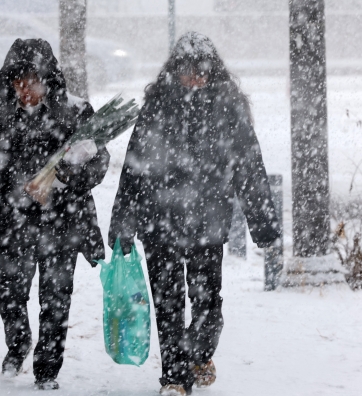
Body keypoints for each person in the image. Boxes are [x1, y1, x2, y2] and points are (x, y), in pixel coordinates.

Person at [108, 32, 281, 396]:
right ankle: (174, 378)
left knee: (207, 304)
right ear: (176, 71)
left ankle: (199, 353)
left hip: (208, 224)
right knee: (167, 304)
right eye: (187, 71)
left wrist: (262, 222)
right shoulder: (157, 106)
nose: (194, 79)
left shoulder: (228, 107)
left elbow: (249, 166)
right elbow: (134, 168)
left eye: (201, 71)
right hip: (160, 222)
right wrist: (124, 221)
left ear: (212, 71)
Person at [0, 38, 110, 390]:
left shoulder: (76, 113)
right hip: (11, 222)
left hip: (63, 222)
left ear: (49, 79)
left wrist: (67, 175)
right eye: (17, 81)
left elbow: (98, 162)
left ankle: (47, 370)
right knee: (9, 294)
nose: (25, 89)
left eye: (32, 80)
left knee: (56, 299)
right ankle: (19, 342)